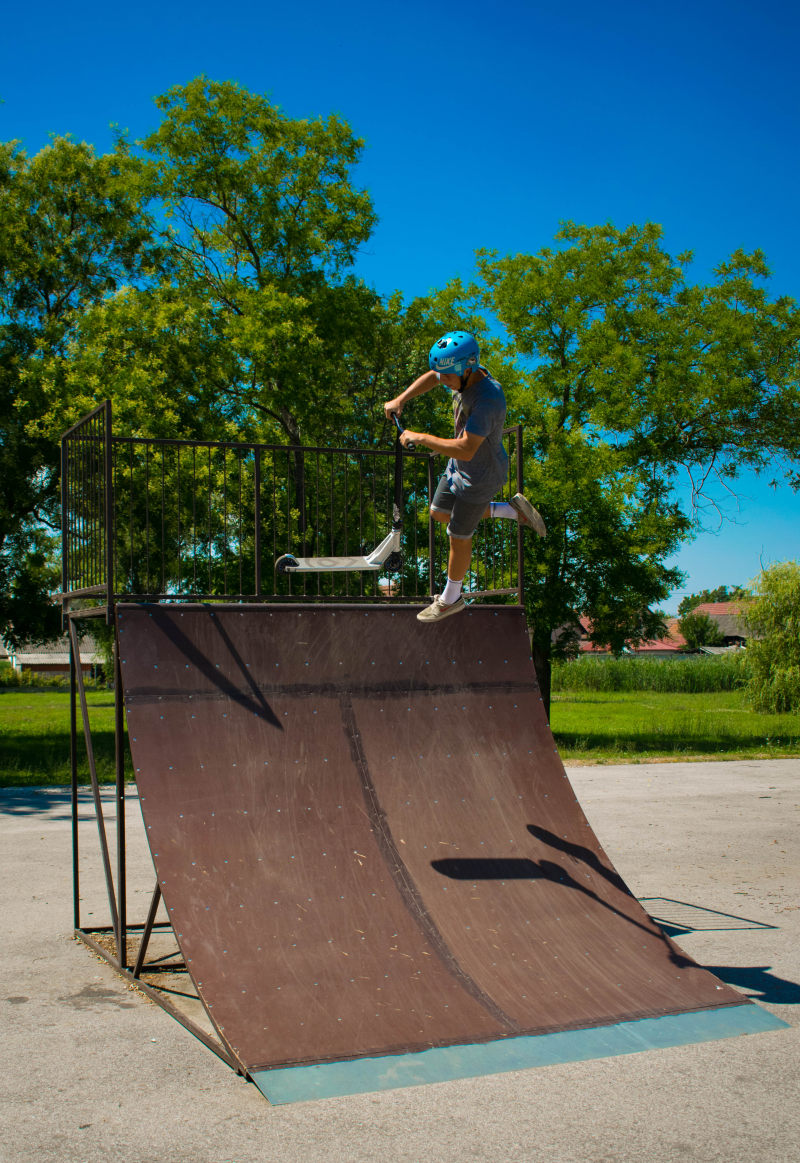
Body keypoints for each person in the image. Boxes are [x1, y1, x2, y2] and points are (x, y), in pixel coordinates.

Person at [383, 330, 546, 623]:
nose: (442, 383)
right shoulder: (461, 371)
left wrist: (420, 438)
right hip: (458, 469)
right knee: (438, 513)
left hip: (479, 477)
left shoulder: (489, 398)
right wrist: (401, 399)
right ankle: (509, 510)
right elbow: (433, 376)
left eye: (447, 378)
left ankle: (451, 598)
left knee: (458, 536)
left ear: (467, 369)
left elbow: (467, 448)